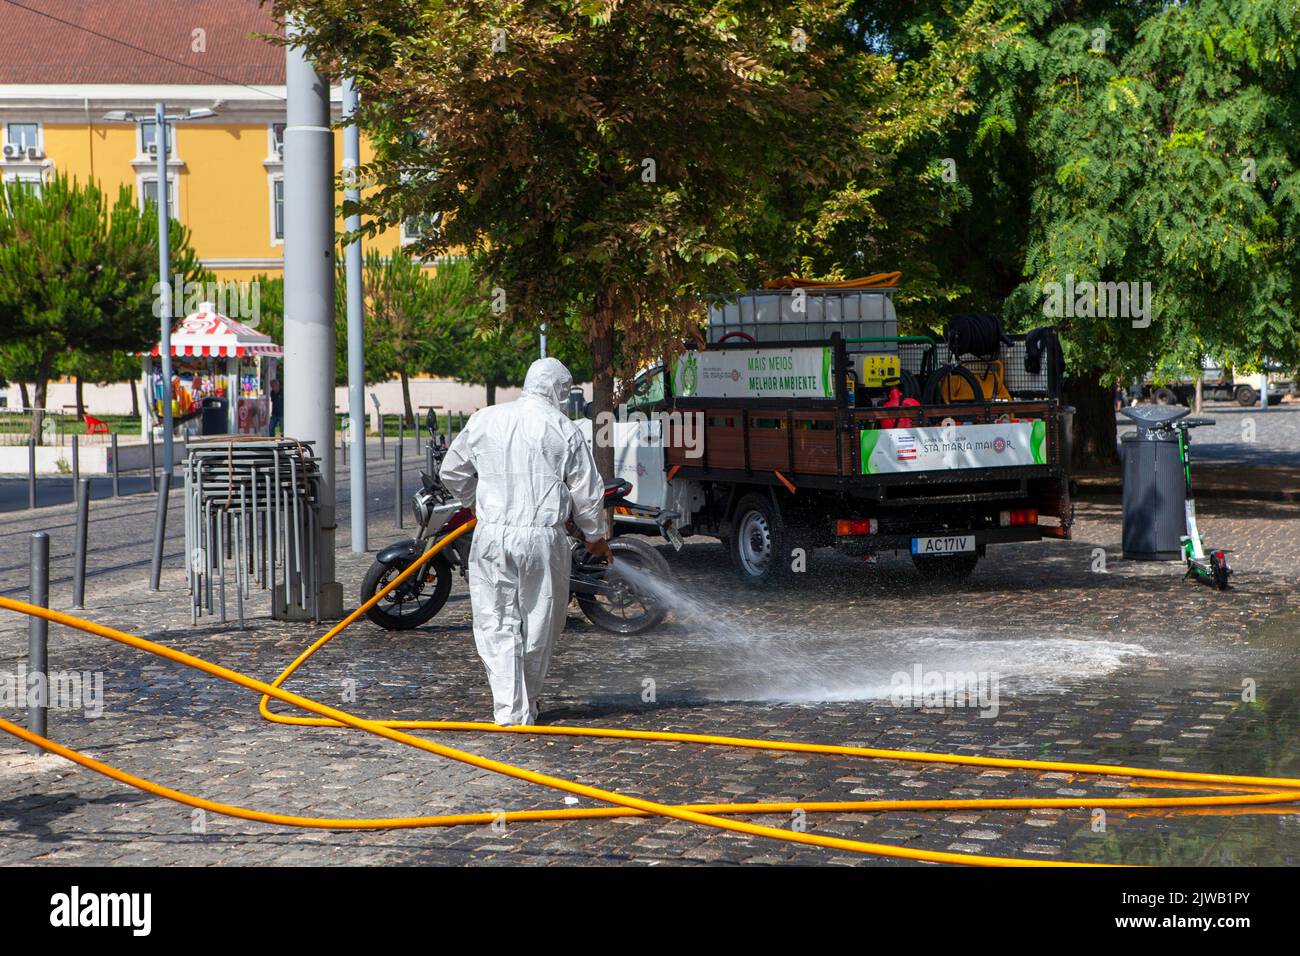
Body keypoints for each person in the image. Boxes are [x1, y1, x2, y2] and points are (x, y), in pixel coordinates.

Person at [440, 358, 612, 725]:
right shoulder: (564, 428)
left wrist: (476, 501)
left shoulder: (485, 418)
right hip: (543, 538)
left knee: (495, 621)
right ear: (559, 391)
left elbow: (451, 471)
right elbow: (587, 493)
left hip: (492, 536)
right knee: (540, 623)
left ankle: (510, 711)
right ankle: (526, 704)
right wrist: (596, 537)